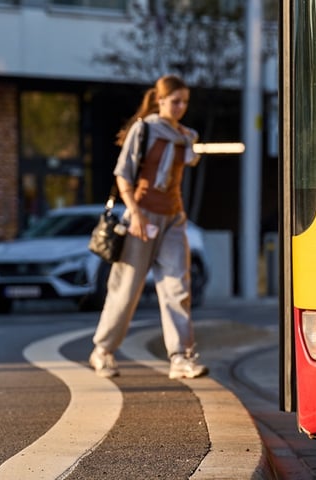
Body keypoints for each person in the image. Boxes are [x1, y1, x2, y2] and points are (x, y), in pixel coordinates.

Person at [89, 74, 208, 380]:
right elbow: (122, 174)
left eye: (185, 102)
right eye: (175, 101)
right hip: (141, 218)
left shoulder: (185, 136)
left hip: (173, 219)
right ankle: (102, 351)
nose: (181, 107)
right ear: (160, 99)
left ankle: (181, 357)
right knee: (126, 290)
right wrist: (136, 213)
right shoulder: (144, 130)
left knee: (177, 289)